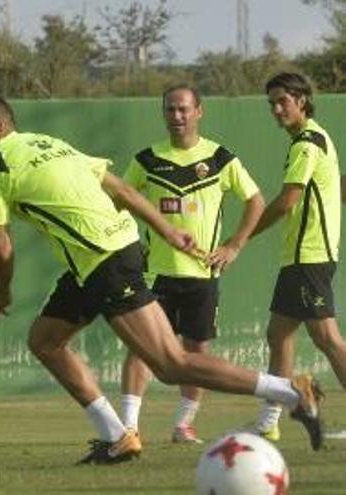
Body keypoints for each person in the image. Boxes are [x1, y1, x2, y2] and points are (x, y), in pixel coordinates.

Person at [0, 90, 324, 464]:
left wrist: (3, 292)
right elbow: (121, 189)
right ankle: (118, 436)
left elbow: (3, 246)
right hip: (99, 260)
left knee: (172, 363)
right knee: (45, 341)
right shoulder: (51, 143)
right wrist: (168, 231)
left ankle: (291, 391)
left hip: (105, 262)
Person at [118, 85, 265, 444]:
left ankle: (183, 425)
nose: (177, 116)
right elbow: (118, 200)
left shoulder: (219, 159)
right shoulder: (147, 160)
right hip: (155, 275)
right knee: (141, 348)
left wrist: (233, 245)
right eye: (170, 109)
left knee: (196, 352)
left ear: (199, 111)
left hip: (202, 275)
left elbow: (256, 201)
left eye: (184, 109)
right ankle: (128, 427)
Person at [249, 72, 346, 442]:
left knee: (327, 338)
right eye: (271, 103)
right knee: (278, 334)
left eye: (282, 101)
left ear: (301, 101)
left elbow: (288, 200)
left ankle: (290, 406)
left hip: (310, 255)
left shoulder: (307, 142)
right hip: (299, 257)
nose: (276, 110)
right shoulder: (311, 139)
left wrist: (242, 237)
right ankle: (273, 418)